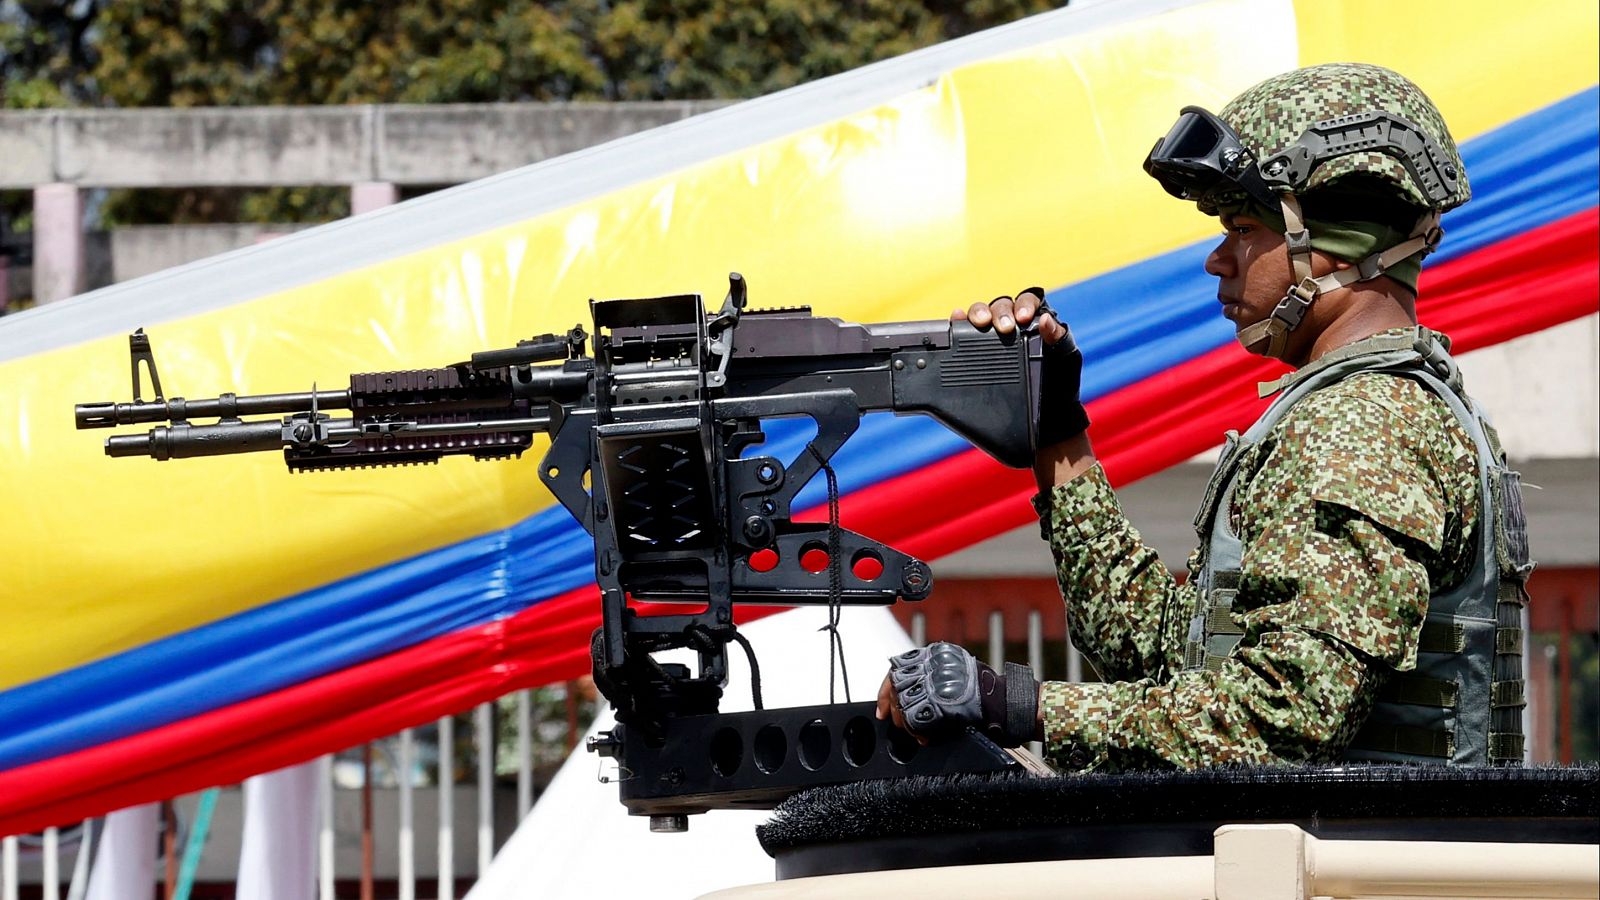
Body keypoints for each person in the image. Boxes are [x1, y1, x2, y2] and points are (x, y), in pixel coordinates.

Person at [878, 63, 1533, 770]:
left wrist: (1020, 704)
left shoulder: (1364, 424)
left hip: (1350, 873)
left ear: (1336, 240)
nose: (1217, 260)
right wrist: (1059, 438)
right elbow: (1162, 657)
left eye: (1244, 226)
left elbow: (1282, 719)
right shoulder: (1350, 409)